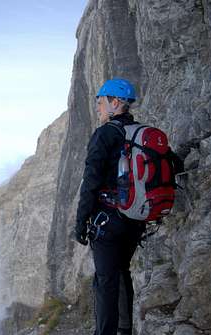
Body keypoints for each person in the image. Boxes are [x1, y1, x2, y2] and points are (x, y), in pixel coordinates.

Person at [74, 78, 146, 335]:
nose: (98, 108)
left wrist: (81, 222)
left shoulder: (104, 134)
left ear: (115, 102)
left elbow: (90, 182)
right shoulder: (141, 133)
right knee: (122, 271)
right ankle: (125, 330)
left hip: (108, 220)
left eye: (101, 102)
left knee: (105, 281)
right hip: (136, 219)